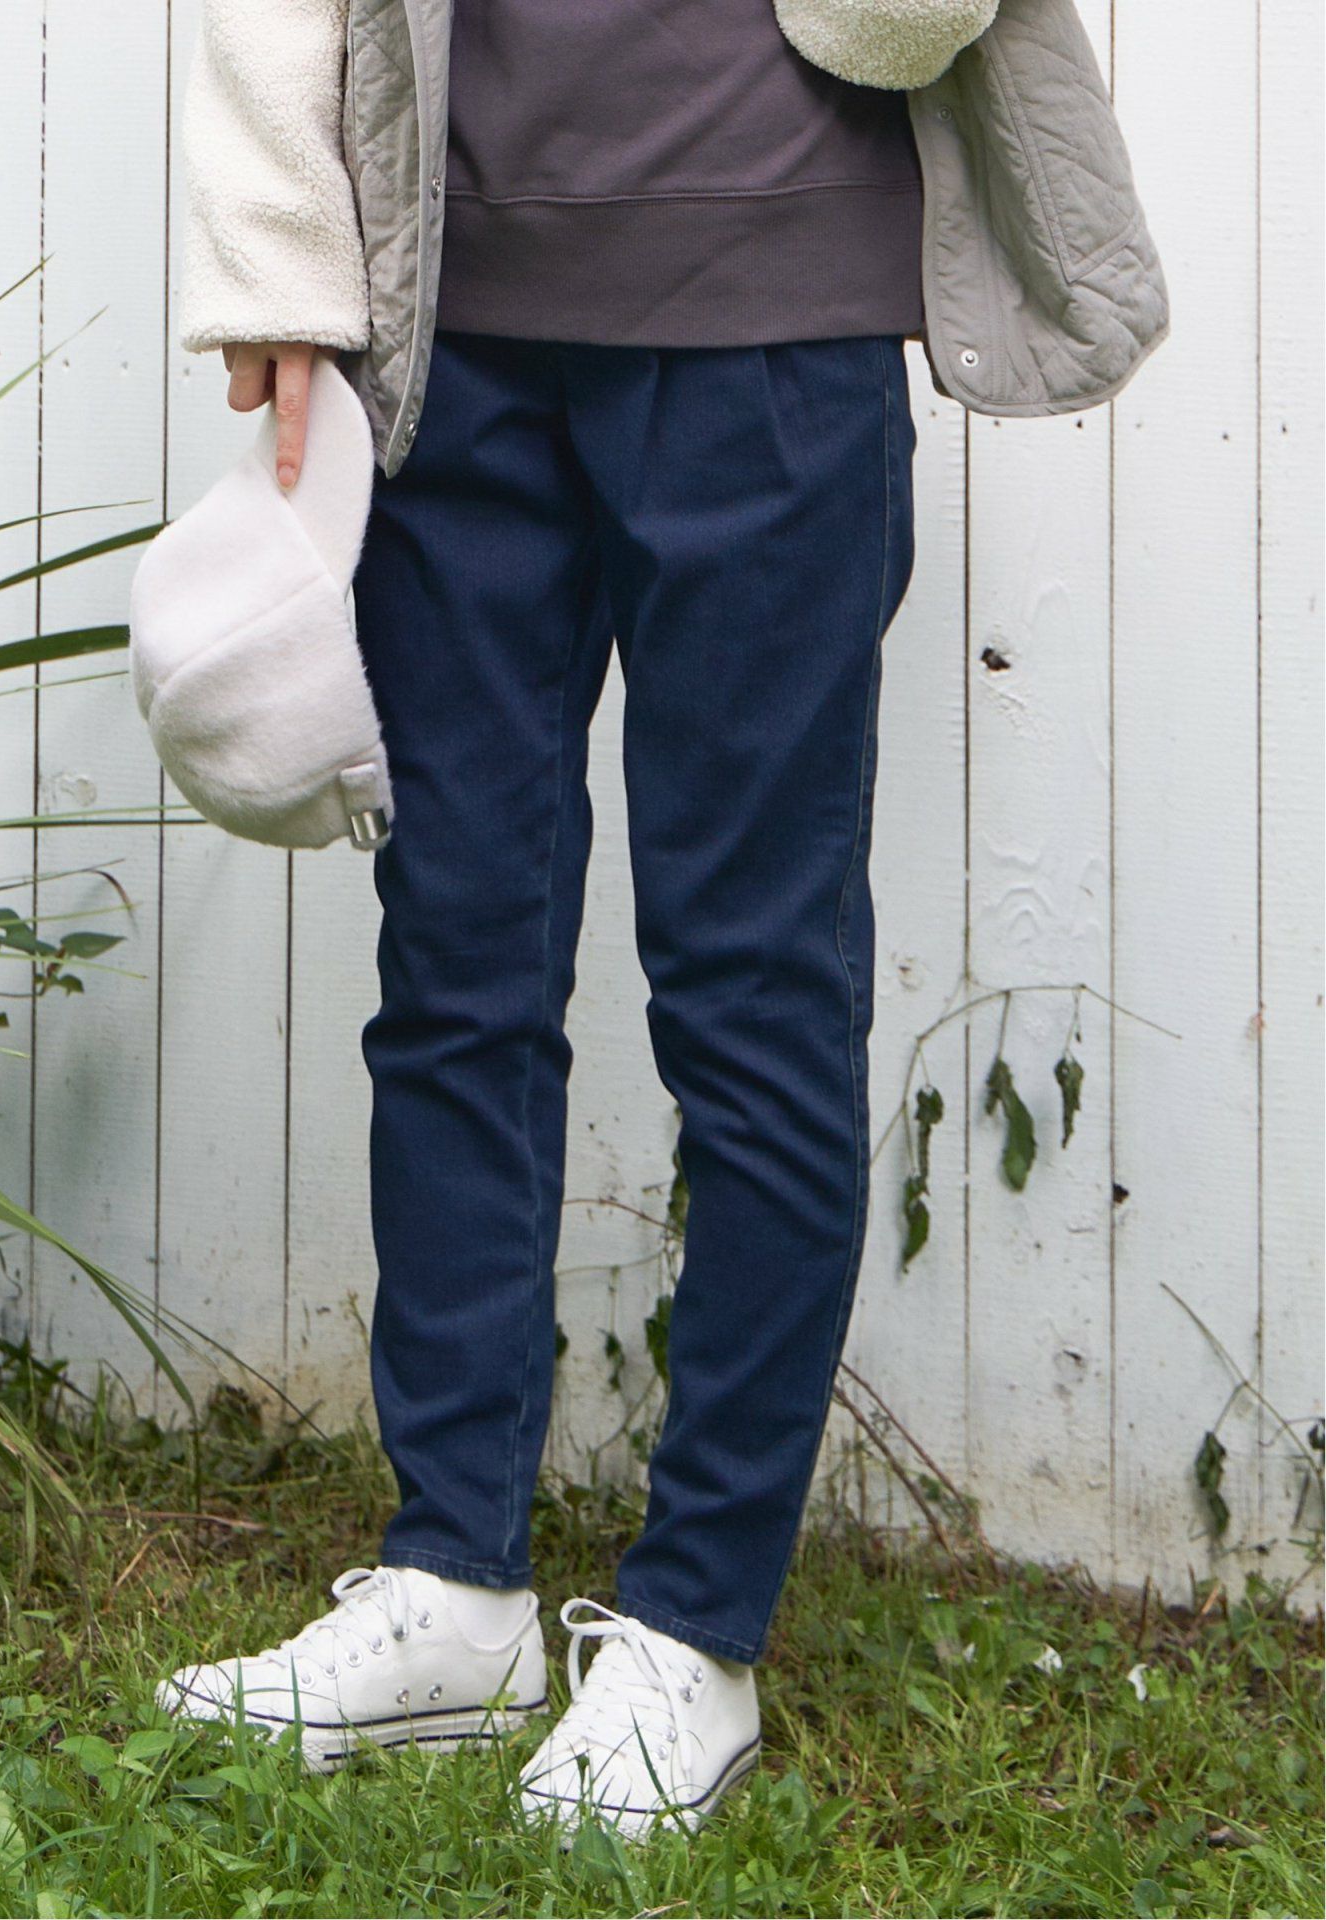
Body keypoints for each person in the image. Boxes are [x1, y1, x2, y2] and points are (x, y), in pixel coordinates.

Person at [156, 0, 1167, 1839]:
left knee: (752, 993)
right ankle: (455, 1595)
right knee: (454, 970)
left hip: (778, 318)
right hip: (449, 319)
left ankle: (698, 1631)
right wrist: (278, 257)